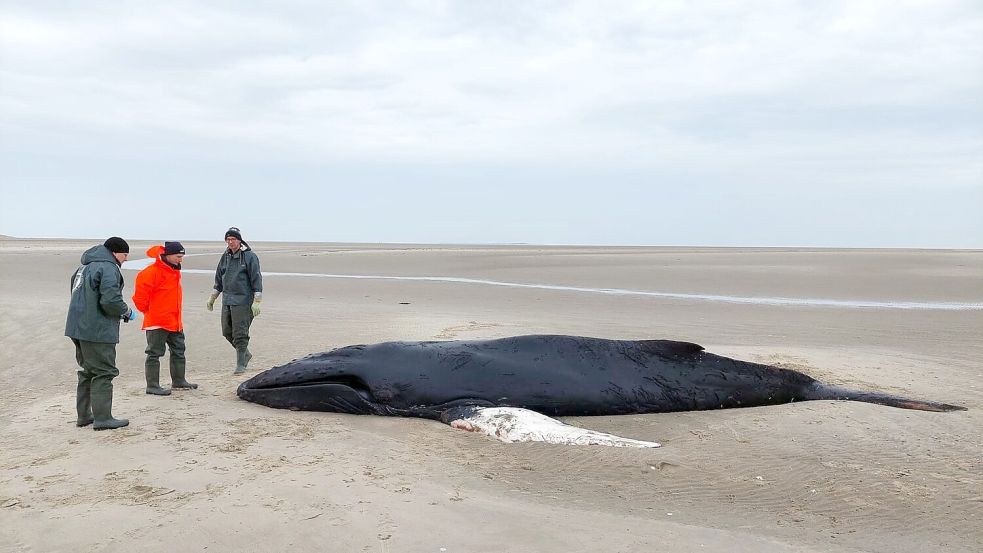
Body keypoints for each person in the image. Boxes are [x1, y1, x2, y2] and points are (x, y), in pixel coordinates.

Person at [65, 237, 138, 430]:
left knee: (88, 371)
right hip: (97, 329)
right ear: (115, 253)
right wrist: (126, 311)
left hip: (77, 327)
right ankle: (103, 418)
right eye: (124, 255)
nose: (125, 260)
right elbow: (110, 301)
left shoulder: (82, 268)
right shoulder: (108, 268)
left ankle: (84, 416)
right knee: (104, 371)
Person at [132, 241, 198, 396]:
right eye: (178, 256)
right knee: (154, 353)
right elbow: (139, 299)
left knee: (179, 350)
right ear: (167, 255)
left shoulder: (174, 271)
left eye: (182, 256)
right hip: (157, 321)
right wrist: (151, 312)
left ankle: (179, 381)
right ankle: (152, 385)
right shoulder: (150, 272)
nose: (180, 259)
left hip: (174, 320)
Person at [207, 227, 263, 375]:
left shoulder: (250, 257)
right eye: (228, 239)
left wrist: (257, 300)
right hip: (227, 300)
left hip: (243, 301)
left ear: (239, 240)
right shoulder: (225, 256)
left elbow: (256, 278)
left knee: (240, 333)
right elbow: (219, 277)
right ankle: (245, 353)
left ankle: (240, 364)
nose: (231, 242)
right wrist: (213, 297)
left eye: (233, 239)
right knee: (226, 331)